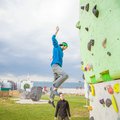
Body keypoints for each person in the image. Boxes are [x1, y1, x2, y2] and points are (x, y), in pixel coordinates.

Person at [48, 26, 69, 108]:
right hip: (55, 66)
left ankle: (51, 99)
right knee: (65, 75)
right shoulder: (57, 46)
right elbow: (53, 38)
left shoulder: (62, 52)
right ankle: (53, 86)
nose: (65, 49)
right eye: (65, 47)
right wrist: (56, 31)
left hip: (56, 67)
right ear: (63, 45)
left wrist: (52, 57)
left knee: (55, 84)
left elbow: (55, 54)